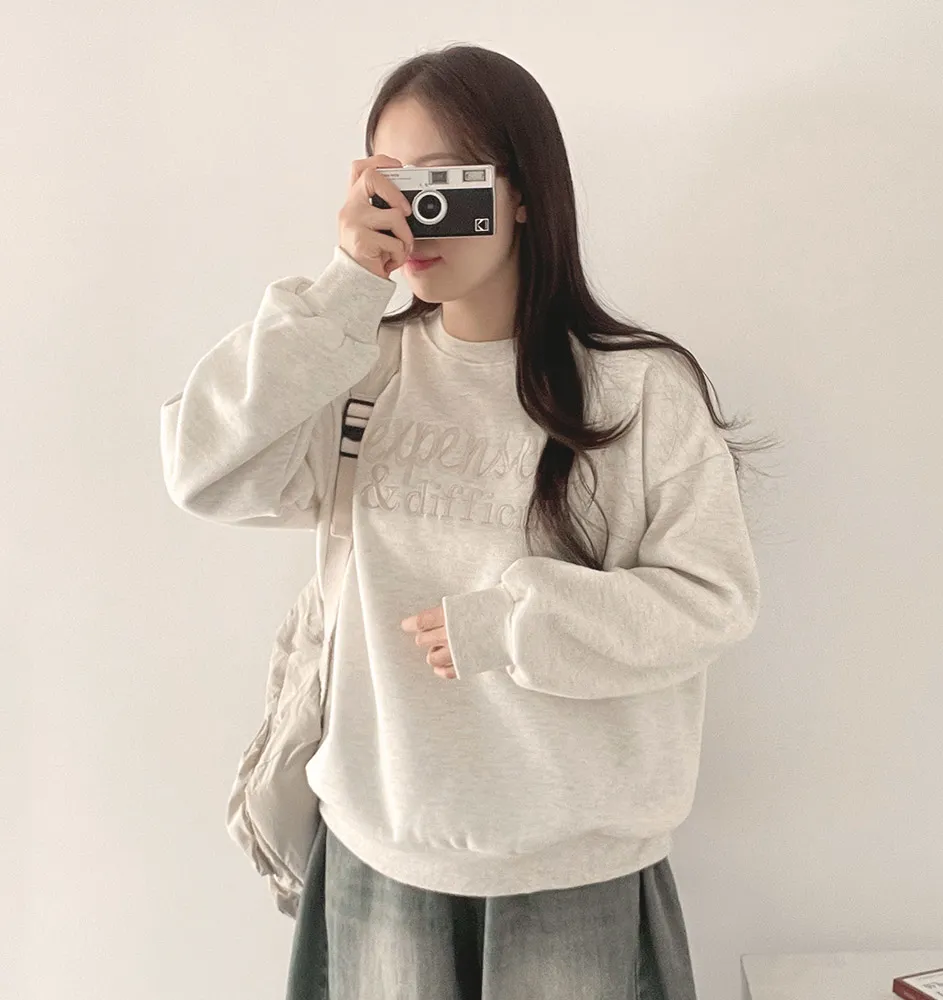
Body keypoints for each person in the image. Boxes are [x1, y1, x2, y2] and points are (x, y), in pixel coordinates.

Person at [160, 42, 769, 1000]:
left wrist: (518, 622)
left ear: (521, 192)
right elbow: (203, 472)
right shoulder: (358, 368)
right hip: (379, 853)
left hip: (569, 871)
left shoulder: (640, 390)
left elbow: (713, 599)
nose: (417, 212)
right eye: (392, 184)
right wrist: (344, 287)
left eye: (446, 181)